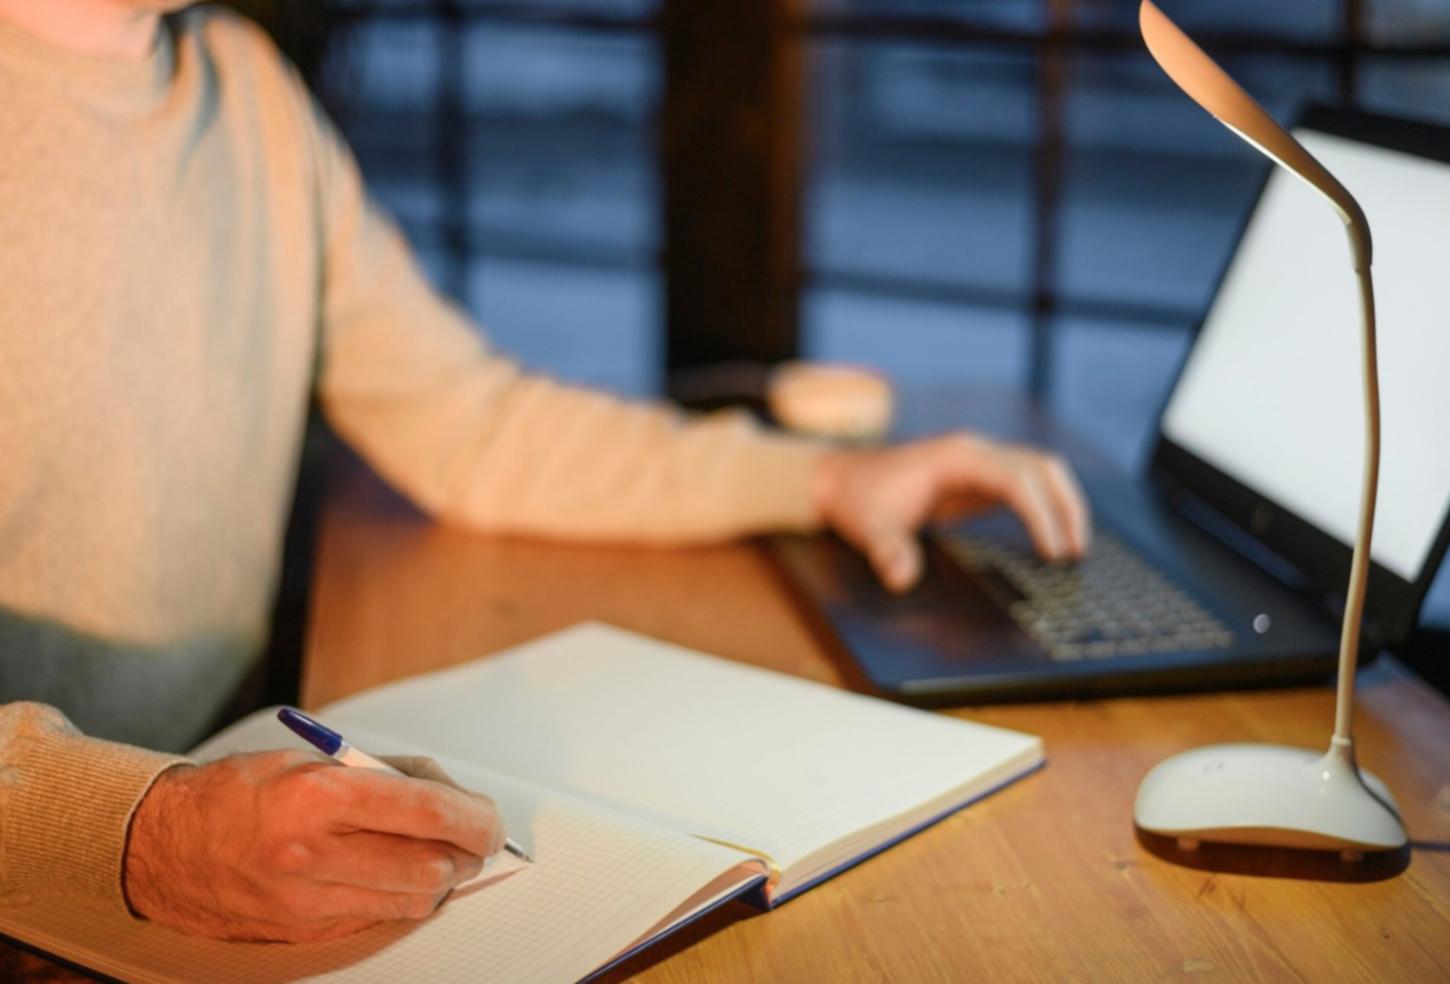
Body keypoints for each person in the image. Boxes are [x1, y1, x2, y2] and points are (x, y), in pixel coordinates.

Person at [0, 0, 1089, 946]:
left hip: (238, 775)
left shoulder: (240, 84)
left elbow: (468, 423)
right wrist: (139, 832)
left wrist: (823, 481)